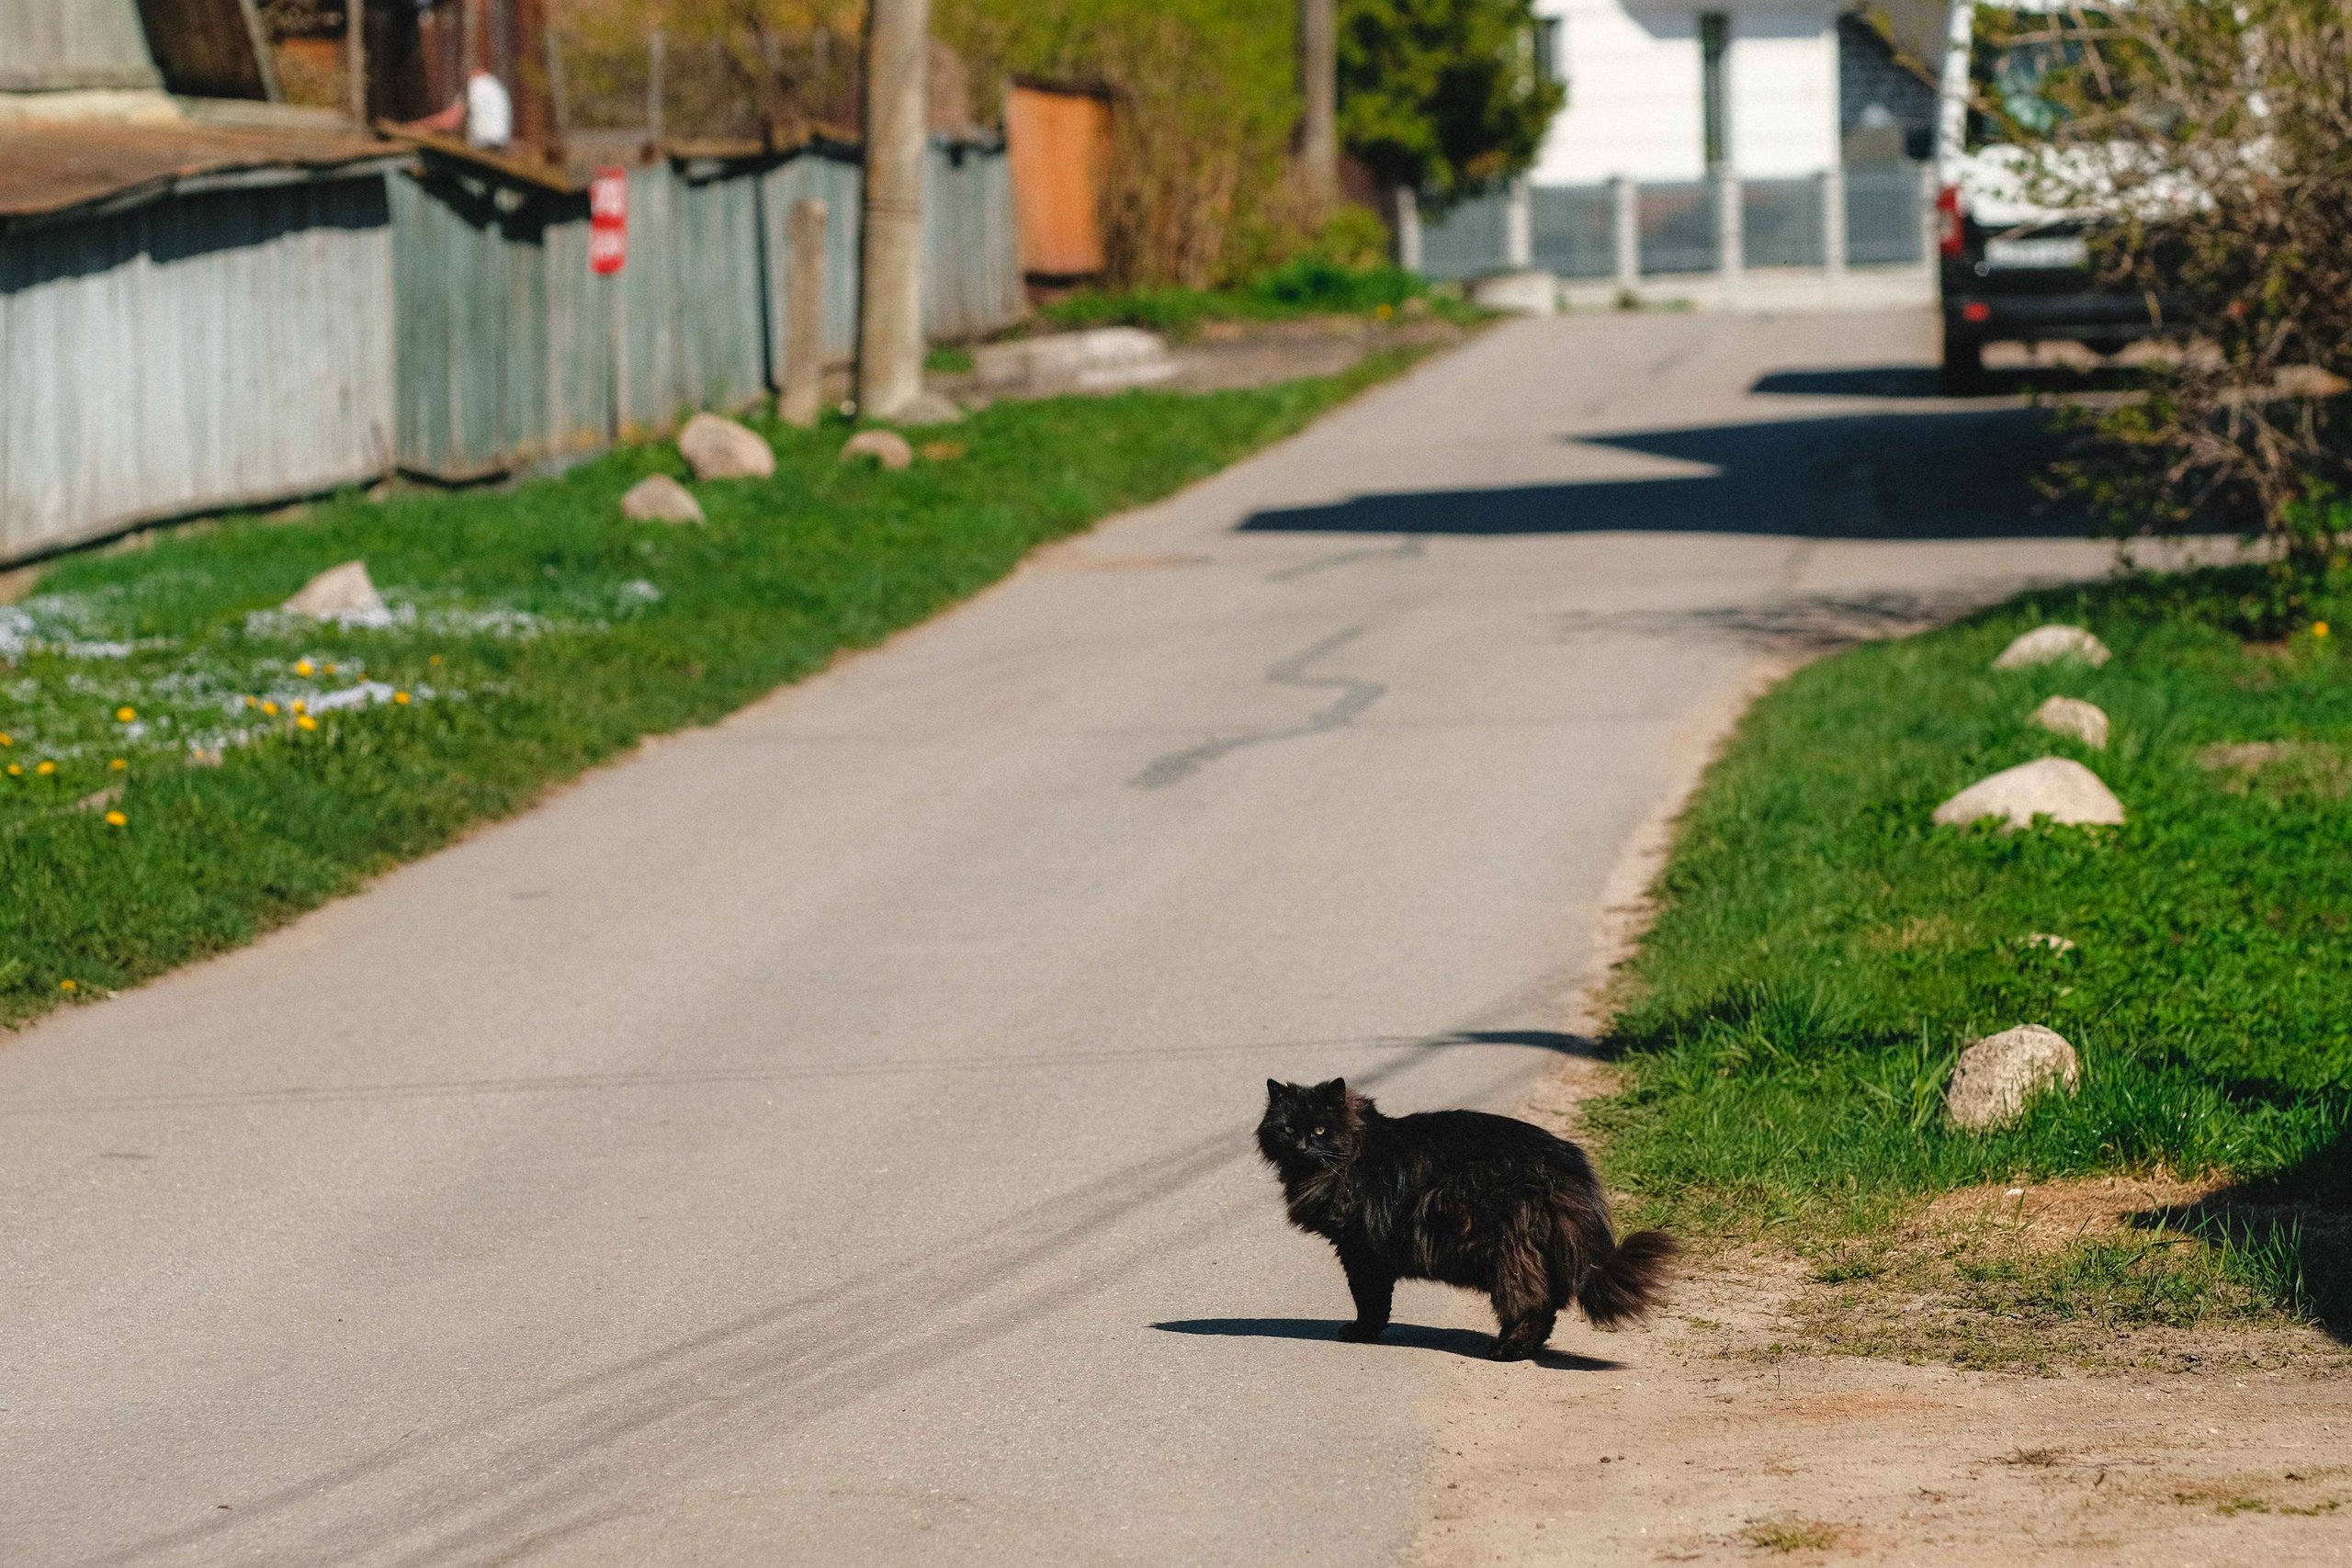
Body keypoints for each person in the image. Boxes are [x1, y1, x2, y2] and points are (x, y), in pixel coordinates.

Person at [403, 69, 512, 150]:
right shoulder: (496, 86)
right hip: (501, 145)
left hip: (483, 147)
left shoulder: (475, 84)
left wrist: (420, 126)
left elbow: (450, 121)